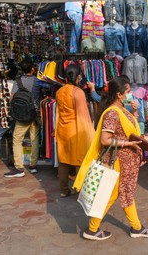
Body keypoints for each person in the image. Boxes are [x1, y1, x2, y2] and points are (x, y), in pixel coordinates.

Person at [73, 77, 148, 240]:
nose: (130, 94)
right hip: (120, 162)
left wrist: (134, 112)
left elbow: (126, 127)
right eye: (127, 91)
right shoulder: (112, 113)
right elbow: (105, 140)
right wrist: (129, 143)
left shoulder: (121, 108)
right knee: (121, 194)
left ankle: (95, 229)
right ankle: (135, 228)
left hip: (125, 162)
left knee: (116, 194)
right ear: (119, 94)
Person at [55, 65, 95, 197]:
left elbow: (58, 113)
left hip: (63, 128)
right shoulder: (78, 92)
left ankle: (63, 190)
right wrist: (90, 133)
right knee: (80, 158)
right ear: (78, 77)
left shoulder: (60, 92)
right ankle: (80, 190)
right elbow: (83, 115)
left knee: (63, 160)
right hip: (76, 129)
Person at [4, 61, 40, 178]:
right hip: (35, 114)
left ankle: (19, 167)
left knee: (17, 139)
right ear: (32, 69)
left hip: (22, 115)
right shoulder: (37, 81)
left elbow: (12, 98)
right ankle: (33, 165)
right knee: (34, 139)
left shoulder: (17, 81)